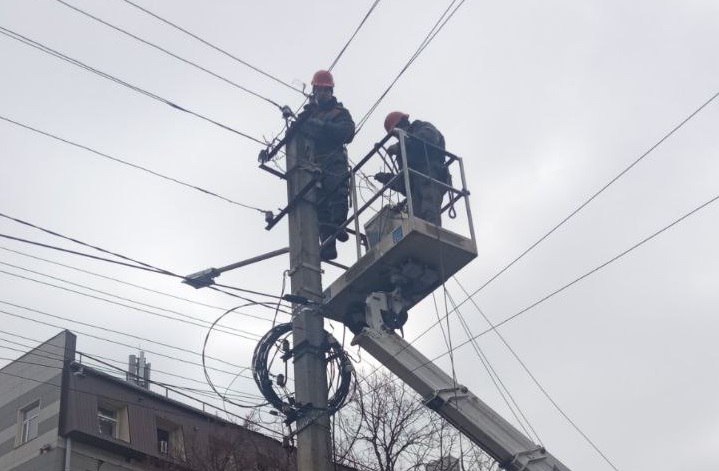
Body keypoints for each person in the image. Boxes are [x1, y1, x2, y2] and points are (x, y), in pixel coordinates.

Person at [297, 70, 355, 261]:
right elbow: (295, 136)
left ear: (331, 91)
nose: (322, 94)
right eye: (318, 90)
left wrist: (320, 126)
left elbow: (347, 132)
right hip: (313, 164)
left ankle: (339, 226)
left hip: (333, 160)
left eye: (325, 90)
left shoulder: (339, 113)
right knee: (320, 204)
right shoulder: (307, 116)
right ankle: (328, 244)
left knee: (337, 192)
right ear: (314, 91)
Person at [374, 111, 449, 226]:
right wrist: (387, 179)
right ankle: (424, 238)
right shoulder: (403, 152)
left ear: (403, 123)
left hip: (432, 175)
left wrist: (401, 146)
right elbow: (405, 183)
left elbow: (429, 138)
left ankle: (434, 232)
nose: (396, 136)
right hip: (416, 186)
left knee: (429, 207)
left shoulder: (422, 127)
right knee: (416, 215)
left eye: (396, 131)